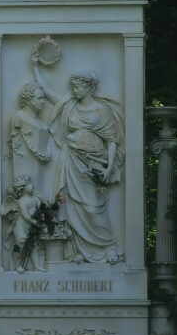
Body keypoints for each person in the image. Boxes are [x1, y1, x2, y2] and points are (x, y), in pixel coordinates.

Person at [35, 67, 124, 263]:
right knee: (69, 205)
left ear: (87, 87)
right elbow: (47, 91)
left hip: (94, 164)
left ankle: (107, 246)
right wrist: (36, 64)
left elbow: (112, 141)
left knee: (92, 207)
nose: (74, 91)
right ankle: (75, 251)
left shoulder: (103, 110)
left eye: (77, 87)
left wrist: (109, 168)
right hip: (71, 161)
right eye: (73, 87)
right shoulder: (70, 106)